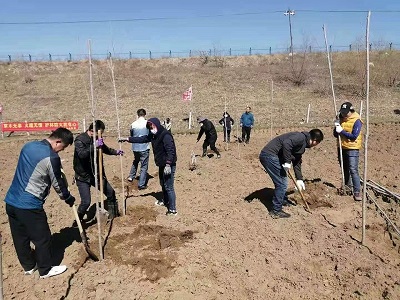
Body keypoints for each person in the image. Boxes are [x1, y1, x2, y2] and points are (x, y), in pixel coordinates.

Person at [4, 128, 75, 278]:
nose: (60, 151)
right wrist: (68, 198)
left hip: (11, 201)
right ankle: (45, 269)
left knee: (20, 237)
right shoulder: (52, 157)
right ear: (58, 142)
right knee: (43, 238)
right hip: (29, 205)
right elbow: (58, 184)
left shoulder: (28, 146)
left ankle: (29, 266)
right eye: (62, 148)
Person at [259, 129, 324, 219]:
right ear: (315, 141)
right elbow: (286, 144)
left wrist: (299, 179)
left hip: (273, 156)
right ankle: (276, 211)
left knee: (281, 181)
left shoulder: (302, 145)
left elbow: (297, 162)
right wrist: (287, 161)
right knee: (282, 183)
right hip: (269, 155)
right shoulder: (300, 137)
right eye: (318, 143)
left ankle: (281, 200)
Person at [119, 118, 178, 215]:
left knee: (169, 186)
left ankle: (172, 209)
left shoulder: (165, 135)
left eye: (152, 126)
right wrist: (128, 139)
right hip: (161, 164)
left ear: (157, 124)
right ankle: (165, 200)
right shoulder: (153, 135)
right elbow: (143, 139)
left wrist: (168, 164)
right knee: (163, 183)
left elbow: (171, 151)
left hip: (169, 164)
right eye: (149, 127)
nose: (151, 128)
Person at [73, 120, 124, 222]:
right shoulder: (80, 140)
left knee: (111, 193)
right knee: (86, 202)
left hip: (96, 174)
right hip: (82, 176)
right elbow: (82, 154)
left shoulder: (97, 138)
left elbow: (105, 149)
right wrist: (94, 146)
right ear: (91, 131)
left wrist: (116, 152)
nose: (99, 136)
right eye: (97, 134)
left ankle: (113, 216)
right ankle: (78, 221)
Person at [334, 102, 363, 201]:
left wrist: (341, 131)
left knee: (353, 169)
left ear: (351, 111)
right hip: (342, 147)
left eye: (345, 113)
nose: (343, 114)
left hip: (352, 148)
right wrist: (336, 126)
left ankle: (357, 192)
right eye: (342, 112)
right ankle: (347, 187)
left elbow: (354, 136)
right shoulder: (341, 119)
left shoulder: (357, 121)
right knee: (344, 168)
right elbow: (335, 134)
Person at [127, 108, 150, 190]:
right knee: (144, 166)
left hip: (135, 147)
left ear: (137, 115)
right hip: (144, 147)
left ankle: (131, 176)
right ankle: (141, 184)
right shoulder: (147, 123)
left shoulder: (133, 124)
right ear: (145, 114)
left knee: (136, 161)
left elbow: (132, 135)